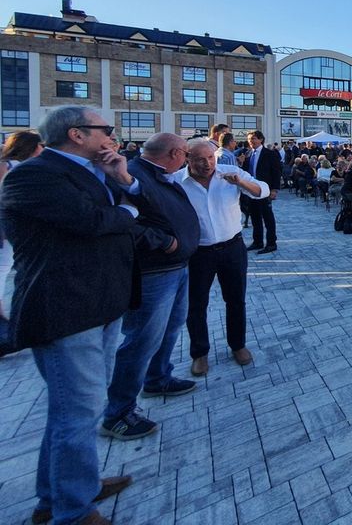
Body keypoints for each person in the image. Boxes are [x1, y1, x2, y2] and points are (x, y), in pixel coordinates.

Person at [0, 106, 163, 525]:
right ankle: (73, 511)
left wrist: (122, 180)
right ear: (76, 134)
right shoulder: (33, 175)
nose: (111, 136)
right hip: (67, 307)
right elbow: (89, 222)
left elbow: (140, 209)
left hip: (102, 302)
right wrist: (125, 213)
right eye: (104, 129)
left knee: (77, 410)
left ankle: (61, 493)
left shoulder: (97, 171)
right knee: (77, 412)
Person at [101, 133, 200, 441]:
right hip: (154, 271)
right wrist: (164, 242)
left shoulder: (154, 174)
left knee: (170, 328)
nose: (186, 160)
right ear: (175, 153)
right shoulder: (130, 175)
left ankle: (158, 377)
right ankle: (118, 412)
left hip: (176, 267)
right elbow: (124, 222)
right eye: (186, 154)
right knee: (142, 340)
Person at [177, 138, 268, 376]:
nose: (207, 164)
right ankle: (199, 353)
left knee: (236, 299)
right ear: (187, 159)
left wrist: (241, 183)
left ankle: (237, 345)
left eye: (210, 158)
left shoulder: (229, 173)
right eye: (200, 159)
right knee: (196, 304)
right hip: (199, 253)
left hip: (232, 248)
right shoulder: (177, 182)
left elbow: (263, 191)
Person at [0, 130, 43, 323]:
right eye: (40, 145)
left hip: (14, 224)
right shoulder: (8, 166)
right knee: (4, 266)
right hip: (8, 224)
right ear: (31, 147)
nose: (43, 149)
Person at [242, 130, 281, 253]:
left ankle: (271, 243)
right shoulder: (248, 153)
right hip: (251, 190)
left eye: (253, 138)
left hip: (265, 190)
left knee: (268, 218)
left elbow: (276, 172)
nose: (251, 141)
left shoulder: (269, 154)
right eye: (249, 139)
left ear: (261, 139)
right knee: (255, 217)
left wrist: (274, 189)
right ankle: (257, 241)